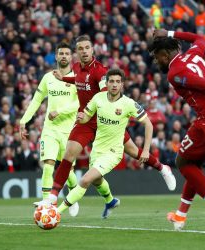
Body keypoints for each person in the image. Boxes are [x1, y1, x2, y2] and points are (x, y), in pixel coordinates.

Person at [39, 35, 176, 218]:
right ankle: (53, 196)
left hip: (105, 121)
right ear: (76, 52)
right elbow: (82, 82)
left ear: (92, 50)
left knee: (135, 152)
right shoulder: (77, 68)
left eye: (87, 48)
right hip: (87, 120)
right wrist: (65, 79)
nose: (84, 51)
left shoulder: (100, 71)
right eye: (81, 49)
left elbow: (106, 92)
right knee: (69, 154)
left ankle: (162, 168)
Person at [149, 29, 205, 231]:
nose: (156, 62)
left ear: (165, 55)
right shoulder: (193, 54)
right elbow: (200, 38)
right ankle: (180, 217)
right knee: (192, 164)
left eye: (156, 58)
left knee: (181, 161)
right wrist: (170, 32)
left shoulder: (174, 72)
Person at [57, 69, 153, 216]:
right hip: (97, 150)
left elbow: (149, 124)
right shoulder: (98, 98)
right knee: (97, 180)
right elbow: (86, 118)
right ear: (106, 83)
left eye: (118, 82)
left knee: (85, 180)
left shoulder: (128, 103)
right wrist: (81, 117)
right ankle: (110, 201)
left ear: (122, 85)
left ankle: (55, 212)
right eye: (111, 81)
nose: (114, 85)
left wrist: (146, 150)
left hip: (113, 152)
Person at [19, 42, 80, 216]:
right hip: (50, 129)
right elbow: (36, 100)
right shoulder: (48, 78)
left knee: (67, 170)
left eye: (67, 54)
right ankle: (46, 204)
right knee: (48, 164)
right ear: (56, 56)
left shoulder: (77, 78)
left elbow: (79, 103)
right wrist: (24, 121)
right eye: (61, 53)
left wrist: (59, 111)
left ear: (71, 56)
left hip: (69, 130)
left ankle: (72, 197)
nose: (64, 56)